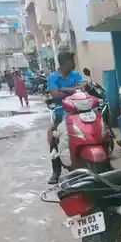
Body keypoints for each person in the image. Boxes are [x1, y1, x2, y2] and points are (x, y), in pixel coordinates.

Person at [46, 52, 83, 184]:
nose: (74, 63)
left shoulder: (76, 75)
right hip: (61, 113)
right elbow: (55, 95)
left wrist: (64, 88)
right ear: (65, 63)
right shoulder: (52, 77)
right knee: (54, 137)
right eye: (72, 61)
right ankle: (56, 171)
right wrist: (73, 90)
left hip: (80, 111)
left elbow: (82, 88)